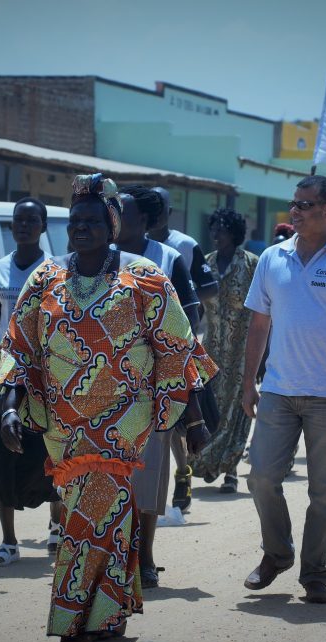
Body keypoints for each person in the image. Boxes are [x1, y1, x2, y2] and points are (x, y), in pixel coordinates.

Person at [0, 173, 216, 642]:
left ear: (113, 225)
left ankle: (73, 628)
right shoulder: (45, 278)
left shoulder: (146, 279)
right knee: (91, 517)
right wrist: (7, 406)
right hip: (63, 425)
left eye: (93, 220)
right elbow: (19, 349)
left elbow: (177, 350)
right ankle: (110, 609)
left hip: (121, 421)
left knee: (91, 514)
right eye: (75, 221)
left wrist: (192, 420)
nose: (81, 228)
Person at [241, 175, 326, 605]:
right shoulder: (272, 258)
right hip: (279, 391)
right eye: (293, 203)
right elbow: (259, 323)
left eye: (304, 204)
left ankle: (315, 574)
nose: (294, 211)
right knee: (261, 476)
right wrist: (248, 382)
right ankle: (277, 554)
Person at [113, 186, 201, 588]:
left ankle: (144, 556)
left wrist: (190, 396)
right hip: (101, 386)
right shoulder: (96, 260)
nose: (116, 222)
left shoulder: (167, 259)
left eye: (125, 215)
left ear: (145, 222)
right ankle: (112, 554)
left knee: (149, 475)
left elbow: (188, 330)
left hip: (153, 386)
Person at [0, 197, 62, 566]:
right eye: (19, 220)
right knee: (3, 455)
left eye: (32, 220)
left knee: (51, 452)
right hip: (7, 372)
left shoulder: (56, 270)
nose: (24, 226)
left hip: (47, 374)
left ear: (43, 226)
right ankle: (8, 541)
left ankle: (56, 527)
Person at [148, 186, 218, 511]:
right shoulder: (124, 247)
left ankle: (182, 471)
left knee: (178, 412)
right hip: (136, 352)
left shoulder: (183, 247)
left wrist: (179, 311)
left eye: (159, 206)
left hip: (177, 344)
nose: (155, 212)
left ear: (167, 210)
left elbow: (207, 287)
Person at [192, 207, 260, 493]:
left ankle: (230, 468)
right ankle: (210, 461)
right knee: (211, 407)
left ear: (234, 232)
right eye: (213, 229)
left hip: (242, 351)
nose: (216, 235)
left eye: (222, 229)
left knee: (238, 408)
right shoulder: (205, 264)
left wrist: (263, 357)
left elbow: (263, 312)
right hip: (211, 350)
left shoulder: (251, 264)